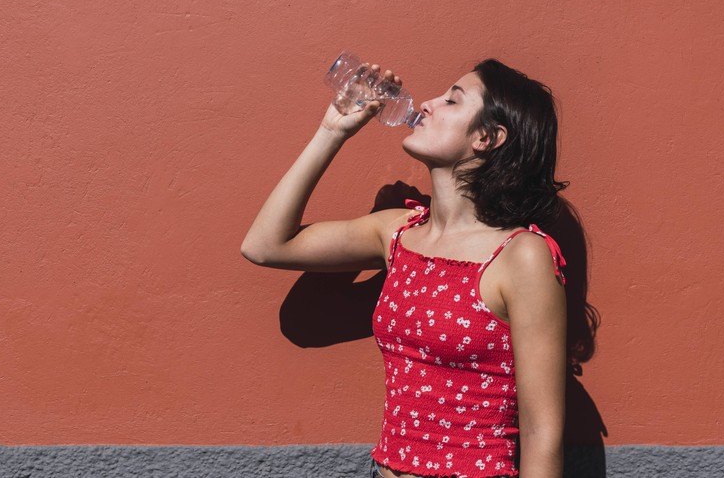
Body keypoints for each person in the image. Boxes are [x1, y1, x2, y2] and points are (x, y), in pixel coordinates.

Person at [242, 58, 568, 478]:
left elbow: (542, 432)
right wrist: (332, 131)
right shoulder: (397, 232)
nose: (428, 104)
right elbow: (265, 245)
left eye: (452, 99)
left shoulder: (520, 256)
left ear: (488, 137)